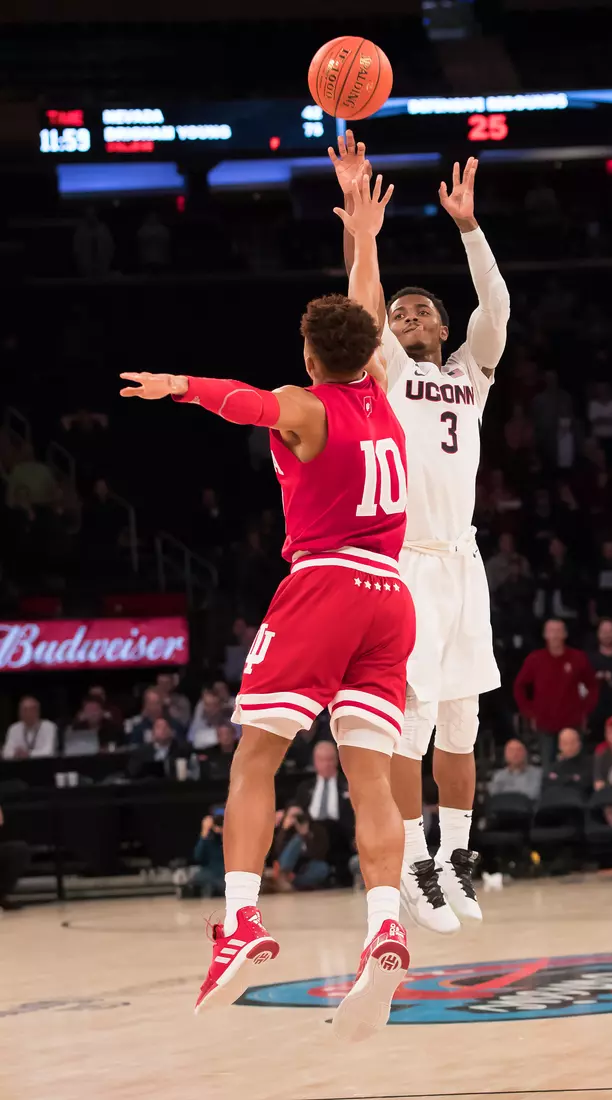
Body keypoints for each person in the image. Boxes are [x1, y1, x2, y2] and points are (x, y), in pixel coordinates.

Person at [120, 172, 414, 1040]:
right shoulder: (378, 393)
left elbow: (239, 402)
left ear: (309, 356)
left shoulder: (305, 406)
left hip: (323, 584)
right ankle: (384, 927)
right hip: (391, 600)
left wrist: (175, 383)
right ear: (365, 355)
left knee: (254, 759)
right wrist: (363, 235)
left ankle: (241, 922)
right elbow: (363, 307)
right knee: (371, 778)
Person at [331, 135, 509, 934]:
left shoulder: (469, 374)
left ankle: (456, 858)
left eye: (419, 310)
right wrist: (362, 240)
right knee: (413, 721)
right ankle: (408, 861)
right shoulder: (390, 375)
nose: (406, 316)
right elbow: (360, 312)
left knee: (464, 721)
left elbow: (495, 309)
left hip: (463, 560)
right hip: (406, 562)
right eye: (398, 313)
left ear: (440, 326)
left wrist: (468, 229)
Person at [513, 619, 599, 770]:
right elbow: (519, 687)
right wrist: (529, 713)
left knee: (575, 765)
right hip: (545, 724)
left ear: (565, 634)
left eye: (558, 631)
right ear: (545, 635)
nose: (555, 635)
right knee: (548, 766)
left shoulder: (578, 658)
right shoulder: (535, 659)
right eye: (551, 631)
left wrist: (584, 711)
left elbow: (592, 685)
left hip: (572, 723)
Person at [294, 739, 355, 882]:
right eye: (322, 760)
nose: (326, 764)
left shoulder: (348, 784)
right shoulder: (305, 787)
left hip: (340, 839)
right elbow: (297, 809)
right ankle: (285, 873)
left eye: (330, 760)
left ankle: (285, 876)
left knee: (320, 868)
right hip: (310, 838)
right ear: (315, 762)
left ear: (337, 760)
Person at [271, 806, 331, 891]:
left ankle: (292, 883)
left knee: (322, 868)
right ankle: (284, 878)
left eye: (299, 816)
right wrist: (284, 830)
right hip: (286, 867)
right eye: (293, 816)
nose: (296, 819)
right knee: (297, 839)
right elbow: (277, 852)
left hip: (305, 866)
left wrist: (305, 835)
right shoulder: (286, 831)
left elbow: (320, 854)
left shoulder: (317, 830)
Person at [544, 727, 593, 793]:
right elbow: (548, 784)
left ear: (579, 744)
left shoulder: (590, 763)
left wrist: (562, 779)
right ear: (559, 746)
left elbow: (585, 784)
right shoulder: (555, 767)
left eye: (573, 742)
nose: (569, 747)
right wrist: (572, 779)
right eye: (565, 743)